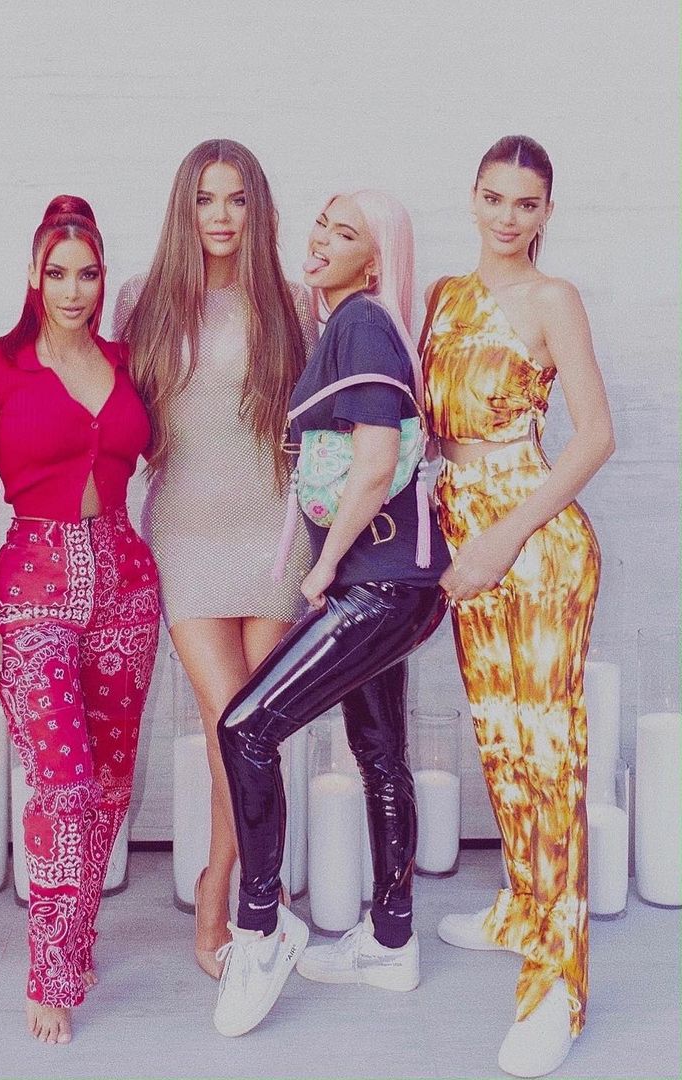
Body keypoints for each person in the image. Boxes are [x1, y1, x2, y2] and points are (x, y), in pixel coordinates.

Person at [210, 191, 449, 1038]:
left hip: (377, 583)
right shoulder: (346, 325)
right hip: (397, 583)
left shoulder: (363, 325)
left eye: (345, 233)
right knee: (379, 753)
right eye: (322, 222)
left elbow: (377, 462)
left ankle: (261, 928)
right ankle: (391, 943)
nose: (320, 239)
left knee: (245, 727)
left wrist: (325, 565)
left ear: (374, 262)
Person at [422, 136, 613, 1078]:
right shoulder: (443, 296)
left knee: (549, 757)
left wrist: (502, 537)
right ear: (473, 197)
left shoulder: (552, 300)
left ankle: (558, 986)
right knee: (499, 739)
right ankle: (520, 910)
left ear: (546, 212)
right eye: (494, 197)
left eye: (526, 203)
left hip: (532, 544)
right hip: (465, 539)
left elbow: (596, 435)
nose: (508, 216)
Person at [113, 139, 317, 977]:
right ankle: (216, 893)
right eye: (205, 199)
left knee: (252, 730)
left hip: (273, 533)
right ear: (184, 208)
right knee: (229, 718)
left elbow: (320, 425)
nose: (221, 215)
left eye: (236, 198)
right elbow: (114, 420)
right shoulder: (142, 300)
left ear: (256, 208)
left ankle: (233, 884)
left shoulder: (294, 303)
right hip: (186, 534)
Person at [0, 195, 160, 1046]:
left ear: (103, 278)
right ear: (33, 277)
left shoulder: (129, 361)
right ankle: (50, 974)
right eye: (57, 273)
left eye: (87, 274)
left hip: (126, 583)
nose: (73, 291)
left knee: (109, 786)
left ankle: (78, 940)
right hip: (30, 587)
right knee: (63, 786)